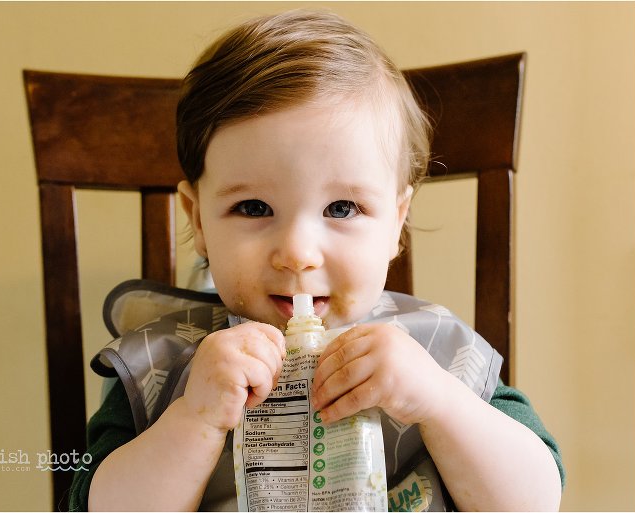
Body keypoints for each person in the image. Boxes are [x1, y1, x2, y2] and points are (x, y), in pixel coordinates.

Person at [72, 10, 564, 511]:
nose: (299, 255)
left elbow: (536, 500)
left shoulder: (437, 354)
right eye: (253, 208)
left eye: (342, 208)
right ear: (199, 222)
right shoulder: (165, 365)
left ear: (397, 222)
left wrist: (439, 402)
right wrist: (194, 419)